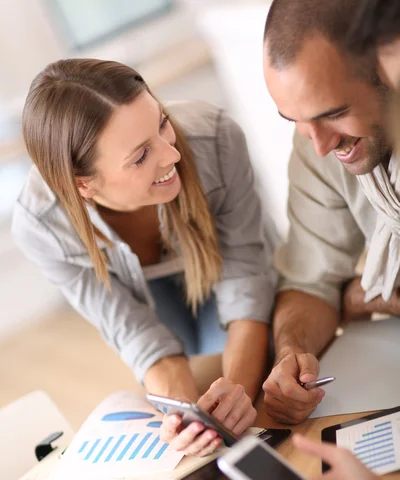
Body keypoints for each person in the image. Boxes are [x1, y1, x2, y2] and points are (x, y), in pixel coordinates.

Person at [14, 58, 277, 456]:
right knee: (181, 400)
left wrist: (237, 394)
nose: (171, 155)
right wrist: (187, 419)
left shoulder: (216, 139)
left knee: (247, 373)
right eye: (139, 157)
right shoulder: (41, 226)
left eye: (162, 123)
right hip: (145, 292)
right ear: (83, 185)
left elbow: (246, 285)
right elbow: (137, 335)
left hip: (222, 265)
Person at [261, 0, 400, 425]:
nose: (320, 145)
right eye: (294, 120)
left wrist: (361, 296)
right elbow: (309, 282)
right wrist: (291, 353)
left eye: (335, 114)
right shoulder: (318, 145)